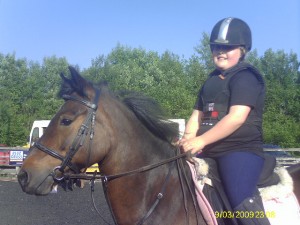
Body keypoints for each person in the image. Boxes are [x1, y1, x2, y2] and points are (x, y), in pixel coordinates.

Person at [179, 17, 271, 225]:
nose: (220, 51)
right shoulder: (210, 81)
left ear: (243, 50)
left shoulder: (246, 77)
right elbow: (196, 115)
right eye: (216, 47)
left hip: (239, 149)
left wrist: (200, 141)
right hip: (208, 148)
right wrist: (186, 139)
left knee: (240, 195)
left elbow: (236, 118)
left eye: (227, 48)